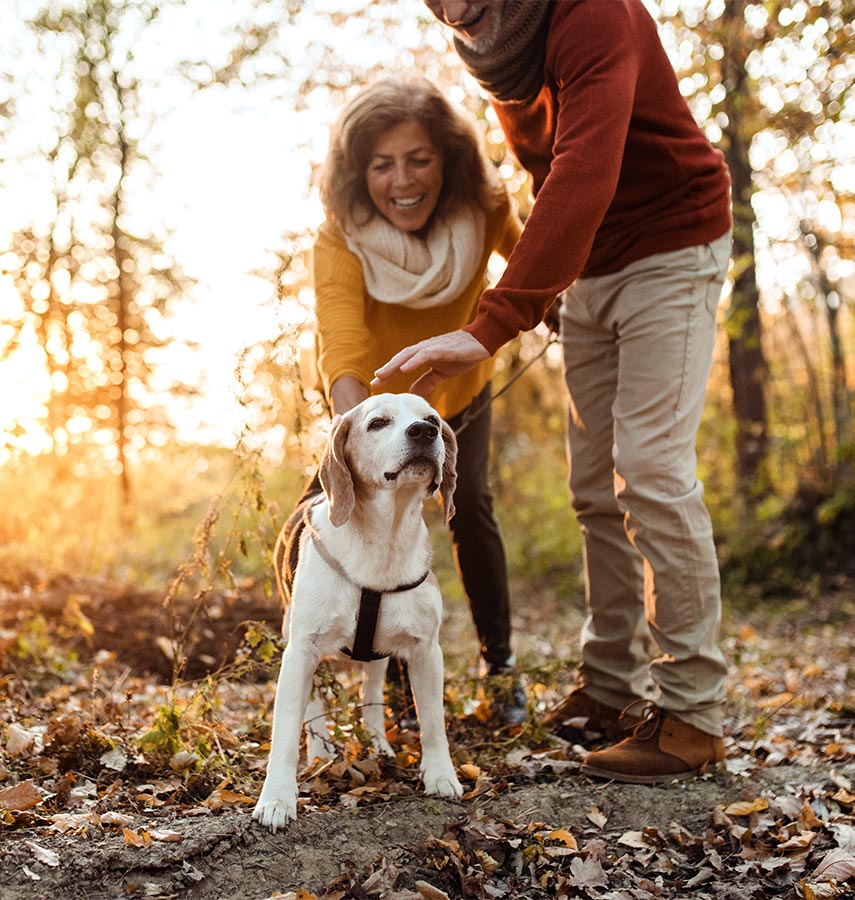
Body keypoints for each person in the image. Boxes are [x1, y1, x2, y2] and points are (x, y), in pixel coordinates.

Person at [373, 0, 733, 782]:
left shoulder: (591, 13)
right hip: (594, 267)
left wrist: (495, 319)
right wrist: (556, 279)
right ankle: (610, 688)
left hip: (674, 241)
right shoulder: (494, 43)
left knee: (651, 471)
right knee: (593, 488)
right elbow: (548, 175)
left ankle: (695, 713)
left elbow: (583, 166)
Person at [310, 73, 527, 723]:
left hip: (461, 395)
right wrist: (356, 439)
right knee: (332, 513)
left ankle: (500, 667)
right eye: (382, 165)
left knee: (474, 509)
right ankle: (361, 668)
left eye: (418, 159)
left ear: (449, 160)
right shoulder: (338, 238)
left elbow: (533, 270)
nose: (401, 181)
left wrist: (564, 309)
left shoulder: (484, 209)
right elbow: (343, 343)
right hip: (369, 411)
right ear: (359, 172)